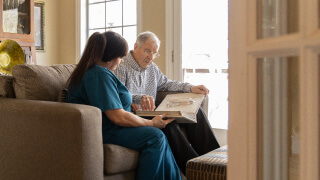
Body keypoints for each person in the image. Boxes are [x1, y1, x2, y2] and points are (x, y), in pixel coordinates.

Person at [66, 31, 181, 180]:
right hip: (106, 129)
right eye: (120, 57)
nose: (121, 61)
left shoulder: (99, 71)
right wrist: (151, 123)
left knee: (159, 136)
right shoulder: (98, 75)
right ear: (111, 56)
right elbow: (117, 117)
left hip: (113, 127)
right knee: (155, 136)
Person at [114, 31, 220, 174]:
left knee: (196, 113)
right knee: (168, 123)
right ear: (136, 46)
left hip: (152, 111)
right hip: (134, 114)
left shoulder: (152, 68)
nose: (150, 57)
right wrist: (138, 98)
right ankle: (196, 171)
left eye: (154, 53)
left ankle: (216, 164)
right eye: (147, 51)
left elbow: (167, 84)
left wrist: (190, 87)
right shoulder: (121, 64)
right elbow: (117, 94)